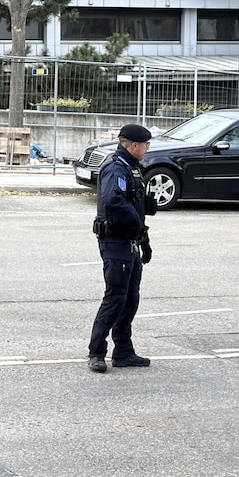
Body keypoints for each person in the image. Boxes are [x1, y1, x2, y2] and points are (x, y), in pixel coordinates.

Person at [88, 124, 157, 373]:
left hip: (130, 241)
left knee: (130, 298)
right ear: (134, 145)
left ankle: (123, 351)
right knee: (115, 298)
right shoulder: (116, 166)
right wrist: (138, 227)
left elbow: (134, 203)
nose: (147, 149)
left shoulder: (132, 167)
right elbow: (114, 201)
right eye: (146, 145)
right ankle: (96, 352)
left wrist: (144, 240)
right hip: (115, 241)